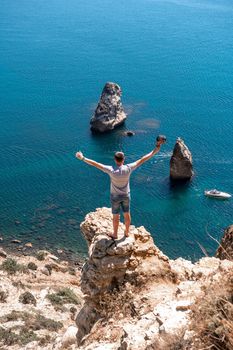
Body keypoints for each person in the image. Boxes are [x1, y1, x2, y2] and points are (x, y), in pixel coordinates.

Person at [75, 139, 164, 239]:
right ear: (123, 159)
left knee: (116, 216)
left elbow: (95, 164)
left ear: (114, 159)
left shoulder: (111, 170)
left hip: (115, 197)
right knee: (127, 214)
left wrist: (82, 158)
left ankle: (115, 234)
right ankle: (126, 233)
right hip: (126, 195)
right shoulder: (128, 168)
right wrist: (156, 149)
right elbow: (143, 159)